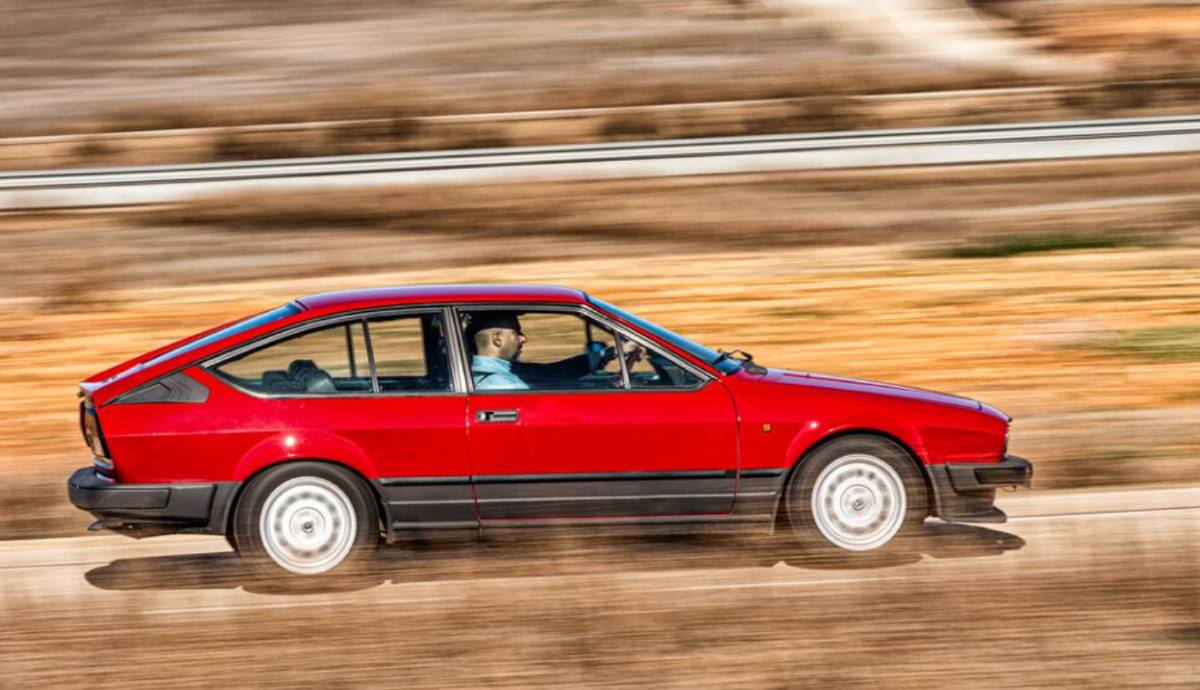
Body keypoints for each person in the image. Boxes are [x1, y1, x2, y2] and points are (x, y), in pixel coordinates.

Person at [466, 311, 644, 391]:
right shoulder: (500, 384)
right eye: (516, 332)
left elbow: (555, 372)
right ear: (497, 339)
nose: (523, 338)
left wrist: (611, 353)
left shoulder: (505, 371)